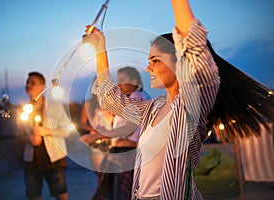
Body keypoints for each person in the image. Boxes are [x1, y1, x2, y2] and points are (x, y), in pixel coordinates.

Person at [83, 0, 274, 199]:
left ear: (179, 62)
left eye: (155, 60)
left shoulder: (191, 106)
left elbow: (193, 47)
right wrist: (100, 48)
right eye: (149, 61)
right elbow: (111, 100)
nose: (148, 68)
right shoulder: (153, 109)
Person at [90, 66, 145, 200]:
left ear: (134, 81)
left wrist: (99, 135)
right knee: (116, 191)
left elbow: (129, 128)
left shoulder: (136, 98)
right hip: (120, 149)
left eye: (122, 80)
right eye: (118, 81)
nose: (119, 85)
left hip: (127, 150)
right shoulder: (127, 100)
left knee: (120, 193)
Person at [18, 72, 73, 200]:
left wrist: (46, 131)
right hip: (31, 160)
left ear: (42, 86)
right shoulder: (24, 109)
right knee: (34, 195)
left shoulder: (54, 106)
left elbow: (67, 130)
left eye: (33, 82)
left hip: (53, 160)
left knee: (61, 195)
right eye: (27, 82)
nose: (28, 85)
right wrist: (29, 138)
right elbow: (19, 132)